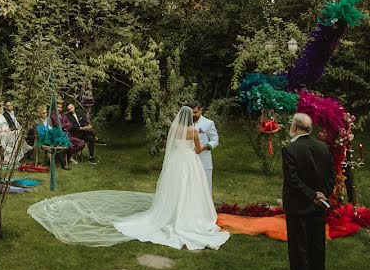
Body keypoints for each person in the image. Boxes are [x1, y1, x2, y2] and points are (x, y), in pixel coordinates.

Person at [27, 106, 230, 250]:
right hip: (190, 161)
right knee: (190, 188)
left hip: (177, 162)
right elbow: (196, 148)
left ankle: (172, 211)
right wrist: (201, 148)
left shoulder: (175, 129)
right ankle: (189, 215)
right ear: (191, 117)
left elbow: (172, 146)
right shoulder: (193, 130)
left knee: (175, 187)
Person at [281, 113, 334, 270]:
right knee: (317, 241)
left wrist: (312, 195)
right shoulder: (324, 147)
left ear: (294, 127)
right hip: (319, 204)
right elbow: (331, 175)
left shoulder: (290, 149)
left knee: (298, 244)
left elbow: (292, 180)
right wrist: (323, 194)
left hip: (298, 204)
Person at [0, 103, 31, 168]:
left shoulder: (2, 116)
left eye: (0, 106)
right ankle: (13, 156)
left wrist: (7, 130)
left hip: (6, 133)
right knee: (15, 135)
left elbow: (6, 126)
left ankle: (15, 156)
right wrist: (3, 131)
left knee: (16, 133)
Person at [190, 100, 219, 192]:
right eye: (191, 113)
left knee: (204, 185)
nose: (193, 115)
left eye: (195, 112)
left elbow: (215, 140)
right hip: (188, 159)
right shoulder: (186, 124)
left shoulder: (208, 123)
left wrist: (203, 148)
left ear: (201, 110)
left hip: (203, 159)